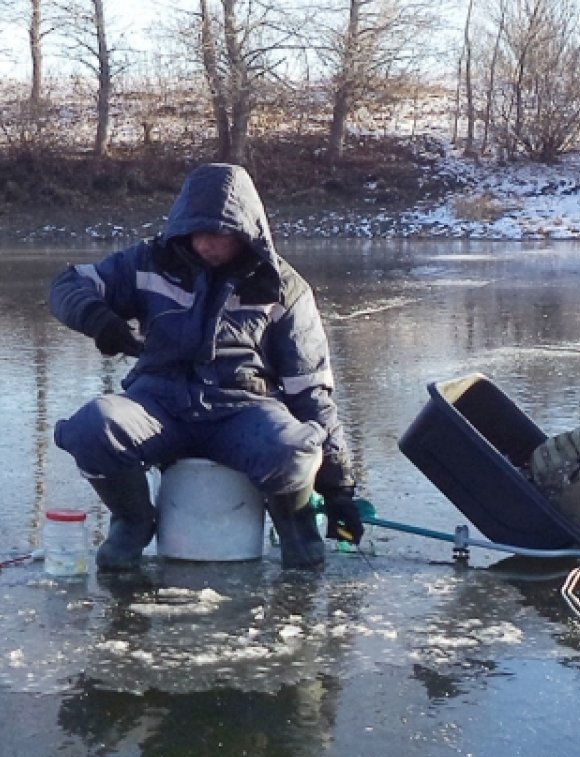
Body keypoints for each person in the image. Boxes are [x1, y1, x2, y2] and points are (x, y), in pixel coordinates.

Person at [48, 162, 364, 571]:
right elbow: (67, 285)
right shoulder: (147, 262)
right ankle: (132, 521)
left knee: (295, 448)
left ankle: (295, 526)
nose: (206, 244)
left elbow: (311, 390)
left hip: (242, 409)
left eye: (220, 234)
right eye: (198, 231)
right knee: (92, 426)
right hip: (157, 404)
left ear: (246, 232)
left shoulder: (284, 288)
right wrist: (98, 319)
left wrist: (338, 490)